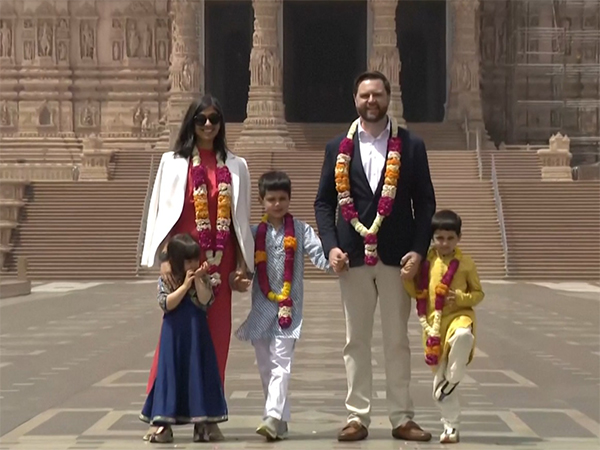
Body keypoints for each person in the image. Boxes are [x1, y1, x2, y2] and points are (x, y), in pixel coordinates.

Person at [314, 71, 436, 442]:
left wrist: (418, 249)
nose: (372, 101)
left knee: (397, 338)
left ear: (388, 98)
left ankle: (401, 416)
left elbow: (425, 203)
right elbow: (324, 202)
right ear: (355, 99)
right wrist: (331, 245)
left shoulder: (411, 146)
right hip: (351, 256)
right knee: (356, 340)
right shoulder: (338, 147)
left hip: (397, 257)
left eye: (378, 95)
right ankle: (357, 415)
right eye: (365, 95)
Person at [140, 95, 254, 441]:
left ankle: (207, 415)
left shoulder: (237, 166)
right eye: (201, 119)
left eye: (214, 119)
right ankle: (162, 415)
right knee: (173, 339)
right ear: (191, 123)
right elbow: (160, 211)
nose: (207, 125)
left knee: (216, 339)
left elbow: (240, 219)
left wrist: (240, 268)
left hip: (219, 263)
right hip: (181, 261)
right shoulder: (171, 163)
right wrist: (163, 259)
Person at [235, 171, 331, 441]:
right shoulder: (254, 234)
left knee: (281, 363)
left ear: (289, 199)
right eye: (271, 199)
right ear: (261, 200)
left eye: (282, 199)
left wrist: (336, 262)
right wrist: (238, 277)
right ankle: (279, 419)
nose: (277, 204)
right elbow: (244, 266)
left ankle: (272, 416)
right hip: (262, 308)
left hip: (289, 308)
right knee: (265, 366)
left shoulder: (300, 230)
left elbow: (319, 254)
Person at [404, 210, 484, 444]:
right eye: (439, 238)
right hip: (433, 328)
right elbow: (415, 293)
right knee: (441, 388)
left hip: (460, 316)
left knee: (462, 336)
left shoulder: (466, 263)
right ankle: (451, 428)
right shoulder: (426, 261)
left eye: (450, 238)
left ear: (458, 238)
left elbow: (478, 293)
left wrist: (459, 297)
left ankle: (456, 373)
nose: (445, 243)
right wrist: (406, 277)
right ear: (433, 238)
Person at [140, 234, 228, 443]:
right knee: (169, 374)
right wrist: (183, 286)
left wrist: (198, 281)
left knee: (198, 373)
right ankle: (164, 424)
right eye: (188, 261)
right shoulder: (167, 279)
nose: (193, 264)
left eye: (195, 259)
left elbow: (206, 301)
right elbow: (167, 304)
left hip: (197, 334)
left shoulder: (203, 278)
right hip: (173, 335)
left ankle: (202, 424)